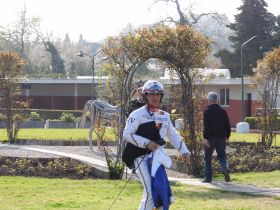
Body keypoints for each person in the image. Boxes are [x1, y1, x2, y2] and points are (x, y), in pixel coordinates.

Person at [123, 80, 190, 210]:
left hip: (157, 157)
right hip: (139, 157)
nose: (155, 97)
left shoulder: (164, 116)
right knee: (149, 188)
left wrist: (184, 151)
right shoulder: (137, 114)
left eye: (158, 94)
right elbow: (127, 134)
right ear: (145, 96)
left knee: (160, 189)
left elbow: (173, 135)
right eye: (151, 94)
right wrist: (147, 143)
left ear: (161, 96)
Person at [202, 92, 231, 183]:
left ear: (209, 100)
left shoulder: (207, 111)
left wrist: (205, 138)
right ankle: (224, 168)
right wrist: (227, 135)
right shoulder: (223, 111)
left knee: (207, 157)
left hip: (210, 138)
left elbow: (206, 126)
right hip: (221, 137)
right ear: (217, 100)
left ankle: (208, 178)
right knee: (222, 155)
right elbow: (227, 124)